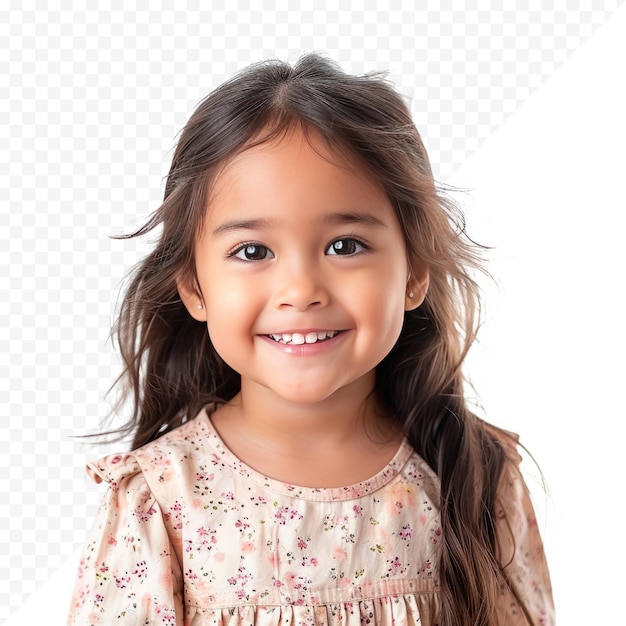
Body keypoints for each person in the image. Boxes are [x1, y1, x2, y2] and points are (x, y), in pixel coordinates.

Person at [67, 54, 554, 626]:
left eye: (345, 245)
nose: (300, 290)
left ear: (414, 272)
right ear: (195, 289)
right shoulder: (160, 502)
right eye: (253, 252)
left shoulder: (474, 477)